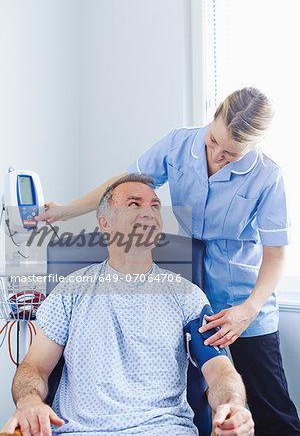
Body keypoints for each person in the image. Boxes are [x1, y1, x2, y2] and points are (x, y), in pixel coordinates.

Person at [35, 87, 300, 435]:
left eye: (230, 154)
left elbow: (276, 253)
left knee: (270, 406)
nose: (216, 154)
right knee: (188, 387)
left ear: (251, 147)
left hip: (243, 296)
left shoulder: (267, 176)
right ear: (213, 116)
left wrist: (249, 309)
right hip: (188, 274)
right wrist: (67, 211)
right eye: (211, 141)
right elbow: (125, 185)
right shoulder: (178, 144)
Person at [4, 174, 254, 436]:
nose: (148, 212)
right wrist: (29, 401)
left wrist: (233, 404)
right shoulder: (70, 291)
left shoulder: (187, 296)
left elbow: (219, 370)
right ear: (105, 222)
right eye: (134, 204)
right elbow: (34, 367)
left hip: (163, 430)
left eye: (155, 206)